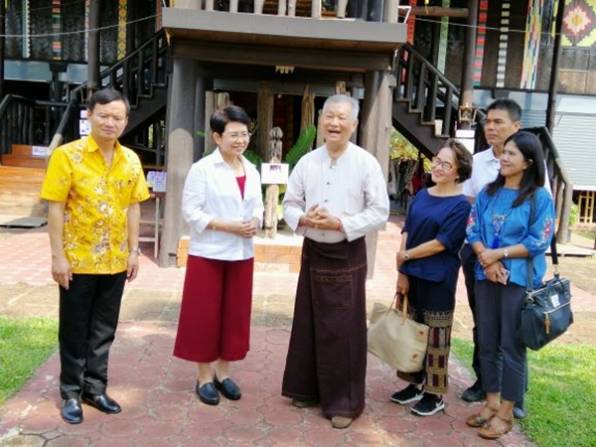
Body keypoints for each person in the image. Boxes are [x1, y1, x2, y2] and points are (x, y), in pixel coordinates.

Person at [41, 88, 150, 424]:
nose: (110, 122)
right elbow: (55, 207)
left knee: (104, 329)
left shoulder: (130, 159)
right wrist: (58, 257)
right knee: (74, 328)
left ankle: (95, 388)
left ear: (125, 121)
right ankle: (71, 392)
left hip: (116, 260)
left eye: (117, 117)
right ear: (89, 115)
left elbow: (134, 207)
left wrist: (134, 251)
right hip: (77, 261)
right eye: (103, 115)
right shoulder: (67, 156)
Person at [281, 94, 389, 429]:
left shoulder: (366, 163)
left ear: (354, 124)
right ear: (321, 120)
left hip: (346, 253)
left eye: (342, 118)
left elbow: (380, 211)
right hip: (313, 250)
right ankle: (306, 389)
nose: (334, 123)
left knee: (343, 330)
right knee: (308, 322)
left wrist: (341, 223)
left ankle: (345, 402)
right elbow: (289, 203)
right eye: (329, 116)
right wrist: (303, 218)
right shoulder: (307, 162)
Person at [460, 98, 551, 419]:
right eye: (504, 153)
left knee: (511, 345)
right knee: (487, 340)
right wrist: (486, 258)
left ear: (528, 162)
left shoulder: (539, 196)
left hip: (518, 280)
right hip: (486, 274)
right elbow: (472, 228)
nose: (504, 158)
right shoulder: (488, 193)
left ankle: (509, 412)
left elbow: (539, 239)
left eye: (512, 154)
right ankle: (491, 403)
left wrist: (498, 255)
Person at [173, 105, 263, 406]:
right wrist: (228, 226)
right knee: (204, 315)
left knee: (234, 315)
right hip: (208, 254)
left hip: (242, 254)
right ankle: (203, 376)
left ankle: (224, 373)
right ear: (217, 137)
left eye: (244, 134)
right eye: (233, 134)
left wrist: (256, 221)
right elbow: (191, 212)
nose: (241, 140)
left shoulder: (251, 169)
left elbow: (258, 207)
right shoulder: (203, 169)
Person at [391, 139, 472, 416]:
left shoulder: (461, 206)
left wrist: (406, 256)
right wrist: (402, 268)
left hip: (439, 279)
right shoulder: (422, 195)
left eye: (446, 164)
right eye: (437, 160)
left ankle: (434, 394)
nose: (437, 167)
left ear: (459, 172)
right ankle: (414, 384)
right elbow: (407, 230)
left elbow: (442, 243)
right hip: (411, 275)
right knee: (412, 331)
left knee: (436, 338)